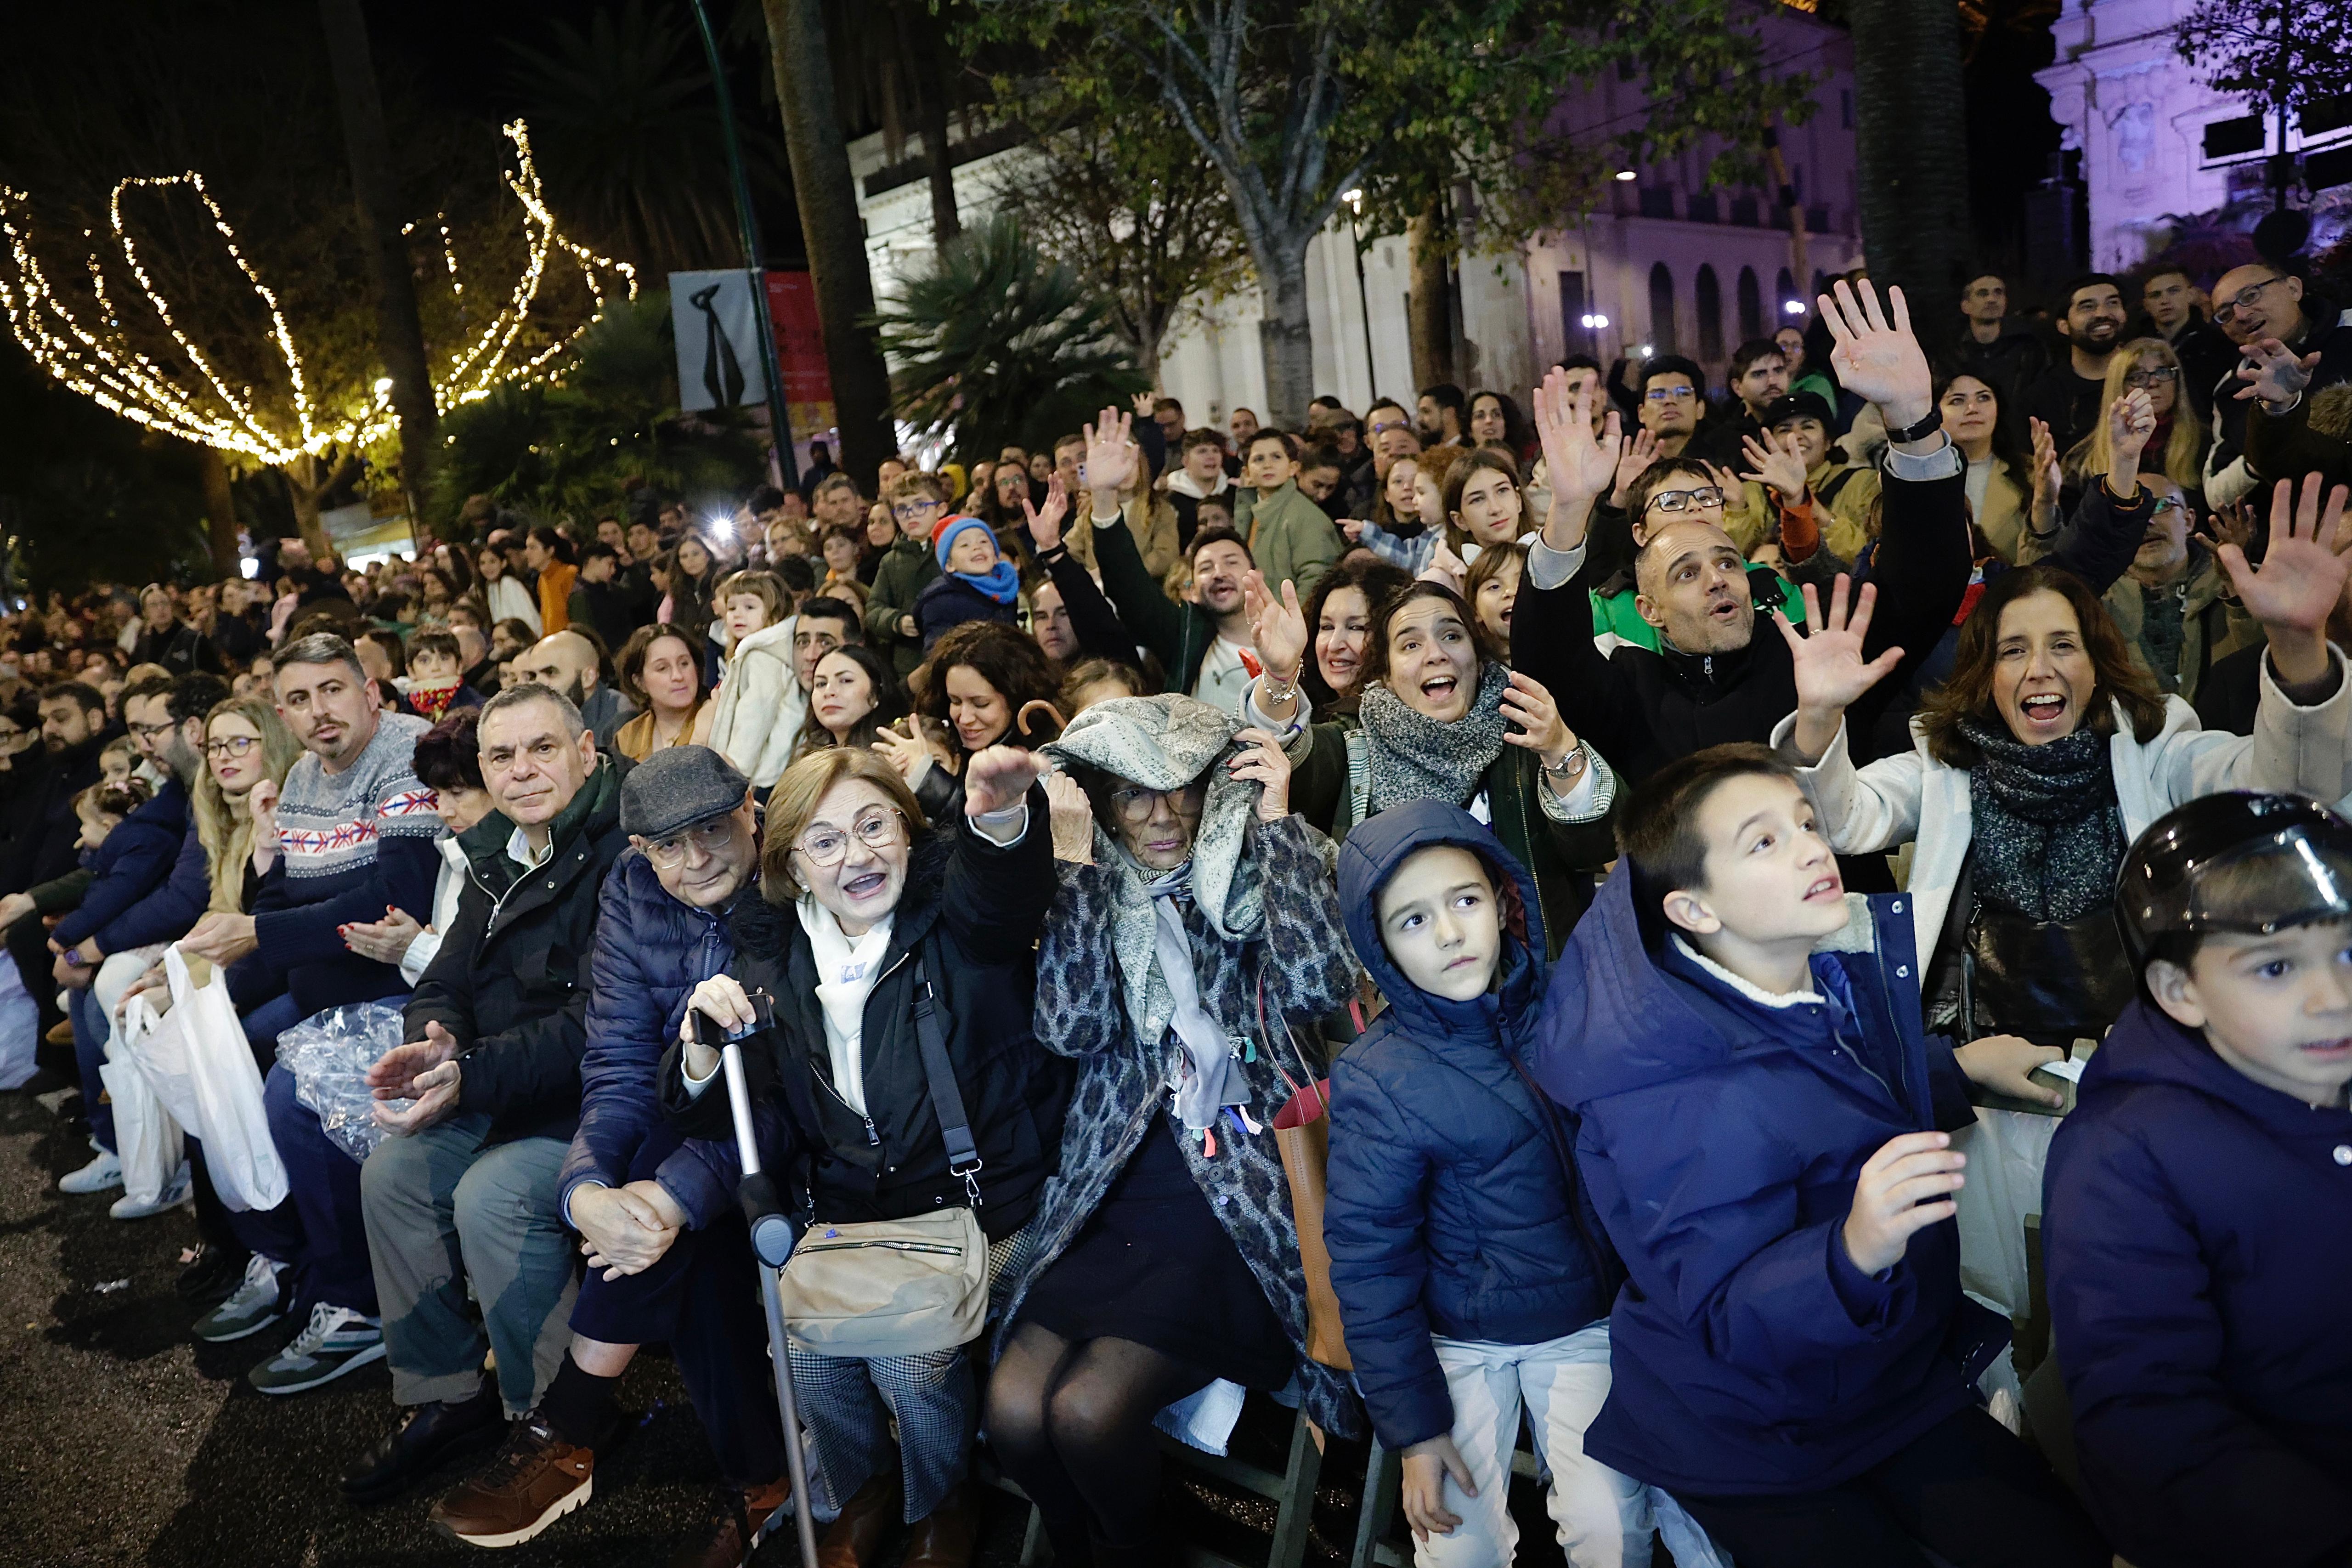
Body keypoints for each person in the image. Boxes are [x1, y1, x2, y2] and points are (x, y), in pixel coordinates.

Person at [1535, 744, 2106, 1567]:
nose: (1811, 846)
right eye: (1762, 842)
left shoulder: (1810, 986)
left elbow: (1823, 1107)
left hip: (1880, 1382)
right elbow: (1728, 1309)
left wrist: (1953, 1073)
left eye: (1806, 823)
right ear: (1693, 910)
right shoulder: (1676, 1091)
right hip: (1753, 1431)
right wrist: (1851, 1251)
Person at [666, 743, 1068, 1568]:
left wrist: (997, 818)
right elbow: (719, 1111)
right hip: (852, 1215)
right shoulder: (771, 956)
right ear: (791, 866)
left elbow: (1004, 898)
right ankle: (864, 1486)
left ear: (909, 832)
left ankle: (941, 1499)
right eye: (825, 840)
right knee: (805, 1344)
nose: (857, 854)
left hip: (984, 1208)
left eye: (874, 824)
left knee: (912, 1354)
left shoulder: (953, 917)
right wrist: (703, 1047)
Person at [1774, 474, 2352, 1047]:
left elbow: (2287, 791)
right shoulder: (1946, 759)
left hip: (2137, 1062)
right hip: (1978, 1071)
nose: (2038, 668)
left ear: (2096, 665)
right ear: (1987, 676)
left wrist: (2296, 644)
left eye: (2062, 644)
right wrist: (1819, 714)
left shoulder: (2157, 746)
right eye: (2012, 650)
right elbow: (1839, 821)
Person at [990, 695, 1361, 1568]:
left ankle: (1132, 1553)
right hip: (1114, 1183)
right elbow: (1072, 1028)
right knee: (1012, 1409)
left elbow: (1320, 985)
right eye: (1133, 797)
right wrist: (1075, 871)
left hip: (1238, 1185)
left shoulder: (1261, 863)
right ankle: (1093, 1549)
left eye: (1181, 791)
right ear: (1102, 805)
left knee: (1086, 1409)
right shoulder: (1090, 885)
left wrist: (1275, 824)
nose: (1162, 817)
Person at [1326, 801, 1666, 1567]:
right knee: (1454, 1536)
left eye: (1465, 900)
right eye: (1412, 921)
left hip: (1585, 1321)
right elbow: (1370, 1267)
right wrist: (1414, 1431)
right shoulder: (1377, 1078)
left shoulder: (1565, 1004)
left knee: (1614, 1529)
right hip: (1459, 1340)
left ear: (1503, 899)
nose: (1449, 933)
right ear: (1380, 949)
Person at [2043, 792, 2352, 1568]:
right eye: (2275, 966)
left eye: (2349, 951)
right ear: (2181, 991)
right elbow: (2149, 1420)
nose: (2334, 998)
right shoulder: (2123, 1152)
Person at [352, 682, 628, 1549]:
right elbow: (446, 976)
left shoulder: (621, 849)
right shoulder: (498, 848)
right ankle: (448, 1394)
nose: (521, 770)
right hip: (502, 1082)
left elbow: (599, 1028)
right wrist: (433, 1040)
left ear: (587, 752)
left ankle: (555, 1420)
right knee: (391, 1173)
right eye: (502, 756)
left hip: (599, 1101)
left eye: (542, 748)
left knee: (494, 1195)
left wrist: (467, 1071)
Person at [1518, 283, 1973, 788]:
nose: (1717, 579)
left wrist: (1912, 419)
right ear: (1649, 608)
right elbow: (1549, 670)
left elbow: (1924, 586)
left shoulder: (1812, 656)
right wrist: (1569, 510)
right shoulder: (1631, 687)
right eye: (1686, 572)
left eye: (1727, 562)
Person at [180, 634, 440, 1395]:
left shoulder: (407, 752)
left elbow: (391, 902)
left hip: (401, 988)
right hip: (325, 982)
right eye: (298, 699)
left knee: (291, 1104)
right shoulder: (298, 777)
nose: (318, 712)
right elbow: (293, 900)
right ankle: (283, 1255)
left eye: (332, 690)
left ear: (369, 689)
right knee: (216, 1050)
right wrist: (203, 985)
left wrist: (264, 928)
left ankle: (352, 1303)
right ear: (282, 711)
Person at [1239, 576, 1617, 952]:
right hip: (1397, 1000)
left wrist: (1560, 751)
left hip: (1539, 990)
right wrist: (1279, 679)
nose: (1435, 654)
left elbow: (1600, 845)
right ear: (1386, 675)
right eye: (1410, 644)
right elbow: (1288, 754)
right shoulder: (1353, 743)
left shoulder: (1527, 736)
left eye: (1452, 636)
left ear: (1480, 660)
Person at [52, 671, 230, 1211]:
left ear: (192, 727)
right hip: (194, 925)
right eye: (135, 731)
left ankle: (161, 1163)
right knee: (95, 989)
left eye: (152, 730)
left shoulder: (214, 783)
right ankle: (123, 1147)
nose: (144, 746)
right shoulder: (178, 785)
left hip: (214, 932)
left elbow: (181, 895)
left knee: (113, 983)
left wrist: (91, 944)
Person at [887, 620, 1060, 821]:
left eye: (980, 704)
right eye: (955, 701)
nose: (965, 719)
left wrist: (928, 779)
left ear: (1017, 698)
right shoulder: (940, 741)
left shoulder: (1050, 755)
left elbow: (1003, 837)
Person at [2024, 274, 2131, 458]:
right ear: (2064, 326)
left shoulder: (2150, 380)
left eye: (2112, 303)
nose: (2102, 314)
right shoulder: (2043, 396)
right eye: (2087, 307)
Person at [1232, 429, 1345, 600]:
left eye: (1276, 457)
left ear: (1293, 468)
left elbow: (1316, 578)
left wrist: (1291, 621)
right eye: (1259, 459)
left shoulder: (1308, 517)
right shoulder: (1249, 510)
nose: (1267, 465)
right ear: (1247, 472)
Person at [1935, 374, 2035, 562]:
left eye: (1984, 398)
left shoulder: (2031, 471)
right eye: (1957, 401)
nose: (1972, 409)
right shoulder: (1916, 474)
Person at [1299, 556, 1414, 719]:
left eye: (1356, 628)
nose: (1334, 645)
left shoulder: (1405, 721)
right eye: (1327, 627)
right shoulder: (1305, 707)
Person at [868, 471, 951, 680]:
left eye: (920, 505)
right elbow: (873, 609)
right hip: (910, 663)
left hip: (953, 651)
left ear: (941, 509)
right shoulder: (891, 561)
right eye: (902, 509)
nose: (911, 514)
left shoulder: (955, 549)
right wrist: (897, 621)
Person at [509, 629, 638, 755]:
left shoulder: (623, 719)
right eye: (533, 675)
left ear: (588, 677)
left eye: (551, 673)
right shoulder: (536, 719)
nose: (538, 683)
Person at [2133, 265, 2235, 421]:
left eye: (2174, 291)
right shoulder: (2133, 349)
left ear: (2191, 295)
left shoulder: (2220, 344)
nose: (2165, 301)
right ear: (2146, 304)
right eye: (2155, 295)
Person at [791, 644, 907, 764]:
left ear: (876, 693)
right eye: (821, 684)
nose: (829, 692)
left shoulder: (899, 751)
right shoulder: (809, 759)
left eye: (846, 681)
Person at [612, 623, 707, 763]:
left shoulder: (717, 719)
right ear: (639, 682)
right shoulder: (628, 737)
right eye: (663, 668)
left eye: (684, 664)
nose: (678, 676)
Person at [1952, 272, 2049, 407]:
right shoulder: (1953, 354)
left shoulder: (2028, 349)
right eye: (1982, 294)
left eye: (1998, 293)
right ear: (1966, 306)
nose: (1992, 299)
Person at [1688, 341, 1789, 467]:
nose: (1772, 381)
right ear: (1738, 388)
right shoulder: (1720, 442)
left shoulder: (1805, 427)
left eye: (1779, 371)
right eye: (1759, 374)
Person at [131, 583, 227, 675]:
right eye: (153, 605)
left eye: (164, 603)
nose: (160, 608)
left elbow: (217, 674)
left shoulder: (195, 640)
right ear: (145, 612)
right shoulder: (143, 644)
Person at [1165, 427, 1236, 549]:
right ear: (1186, 461)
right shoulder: (1170, 501)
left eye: (1216, 451)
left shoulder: (1234, 492)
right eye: (1202, 451)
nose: (1211, 456)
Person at [1632, 357, 1707, 460]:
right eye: (1658, 395)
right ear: (1641, 413)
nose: (1669, 400)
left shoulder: (1725, 466)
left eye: (1683, 394)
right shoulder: (1622, 467)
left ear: (1700, 409)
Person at [565, 542, 636, 652]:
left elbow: (637, 598)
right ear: (593, 562)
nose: (613, 570)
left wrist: (632, 568)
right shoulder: (580, 597)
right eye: (609, 564)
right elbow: (587, 636)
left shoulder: (612, 588)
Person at [1464, 540, 1524, 660]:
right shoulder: (1475, 671)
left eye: (1523, 582)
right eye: (1495, 587)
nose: (1511, 592)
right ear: (1475, 609)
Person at [477, 544, 542, 638]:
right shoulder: (491, 588)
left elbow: (527, 619)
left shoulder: (509, 583)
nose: (488, 567)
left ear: (503, 563)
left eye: (492, 562)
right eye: (483, 563)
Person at [1419, 383, 1469, 447]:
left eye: (1426, 412)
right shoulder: (1423, 452)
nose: (1419, 419)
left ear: (1449, 413)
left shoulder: (1470, 452)